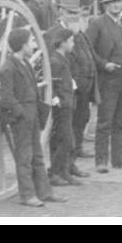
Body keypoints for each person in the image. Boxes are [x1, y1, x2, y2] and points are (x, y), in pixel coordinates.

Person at [0, 26, 66, 207]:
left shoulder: (25, 63)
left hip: (33, 115)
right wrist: (21, 114)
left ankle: (44, 192)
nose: (34, 45)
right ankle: (27, 195)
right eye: (31, 42)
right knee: (24, 158)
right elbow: (6, 98)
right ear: (22, 45)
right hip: (22, 120)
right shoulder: (8, 68)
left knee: (37, 155)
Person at [85, 0, 122, 173]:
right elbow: (88, 49)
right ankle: (101, 161)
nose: (116, 5)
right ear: (106, 5)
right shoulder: (98, 24)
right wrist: (104, 64)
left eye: (119, 2)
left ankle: (119, 159)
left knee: (121, 121)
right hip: (108, 78)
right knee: (105, 121)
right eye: (112, 3)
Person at [58, 0, 94, 177]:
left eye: (77, 13)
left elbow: (88, 56)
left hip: (83, 90)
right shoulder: (54, 33)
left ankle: (72, 164)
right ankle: (62, 169)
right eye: (70, 13)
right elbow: (53, 63)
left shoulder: (80, 33)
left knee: (79, 124)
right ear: (60, 12)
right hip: (66, 92)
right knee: (65, 132)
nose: (74, 17)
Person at [47, 27, 79, 187]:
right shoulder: (55, 60)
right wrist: (55, 98)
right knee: (65, 140)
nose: (73, 44)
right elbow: (50, 82)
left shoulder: (62, 58)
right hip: (62, 105)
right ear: (63, 43)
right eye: (71, 41)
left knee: (65, 139)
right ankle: (54, 173)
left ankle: (63, 171)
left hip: (67, 102)